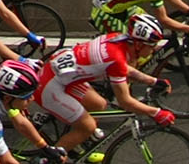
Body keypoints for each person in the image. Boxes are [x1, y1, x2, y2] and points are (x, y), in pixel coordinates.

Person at [32, 14, 177, 155]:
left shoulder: (117, 38)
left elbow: (124, 69)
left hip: (60, 76)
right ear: (139, 44)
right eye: (152, 46)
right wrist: (156, 113)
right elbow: (125, 102)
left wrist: (153, 81)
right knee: (87, 127)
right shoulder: (116, 59)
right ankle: (46, 163)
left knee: (98, 104)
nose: (154, 49)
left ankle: (77, 142)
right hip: (49, 87)